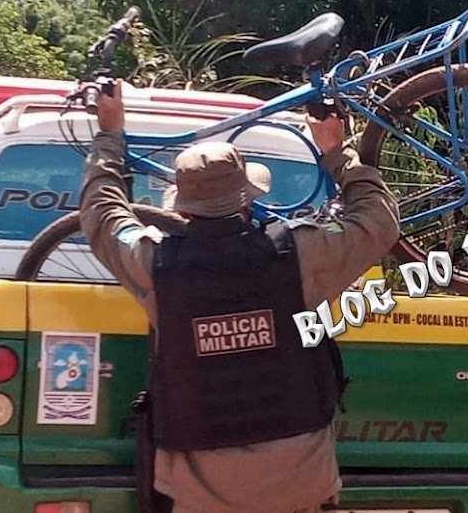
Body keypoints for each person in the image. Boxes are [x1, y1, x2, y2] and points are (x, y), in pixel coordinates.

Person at [79, 80, 400, 513]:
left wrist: (109, 136)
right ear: (248, 200)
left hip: (201, 492)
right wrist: (336, 153)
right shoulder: (299, 253)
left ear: (182, 209)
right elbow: (378, 221)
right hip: (300, 482)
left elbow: (102, 213)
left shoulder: (155, 263)